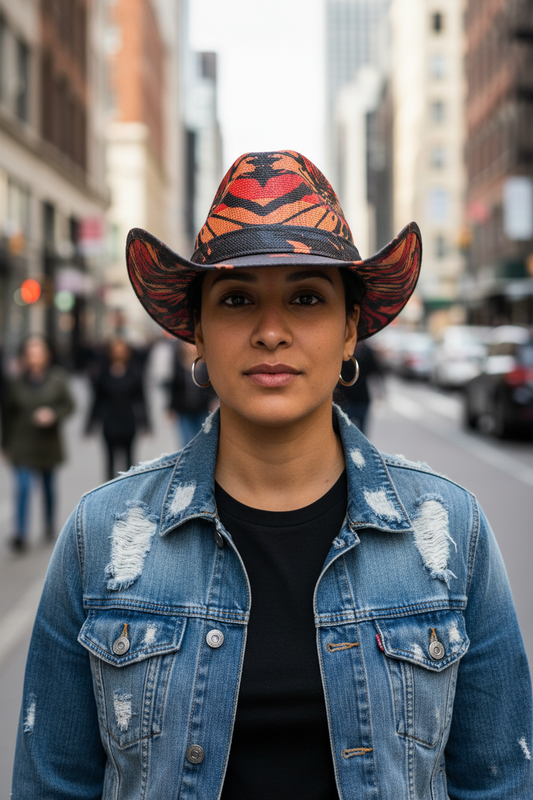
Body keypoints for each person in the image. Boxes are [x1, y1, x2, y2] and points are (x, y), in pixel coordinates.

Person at [12, 151, 532, 799]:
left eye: (306, 297)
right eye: (236, 299)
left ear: (350, 331)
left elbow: (501, 783)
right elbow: (52, 785)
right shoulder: (102, 535)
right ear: (196, 333)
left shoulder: (450, 532)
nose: (269, 331)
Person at [2, 334, 74, 551]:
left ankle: (49, 525)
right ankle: (20, 534)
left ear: (46, 355)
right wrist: (4, 444)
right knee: (23, 487)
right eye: (30, 353)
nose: (34, 357)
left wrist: (53, 414)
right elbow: (7, 415)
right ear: (25, 357)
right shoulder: (16, 382)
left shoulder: (57, 379)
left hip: (47, 444)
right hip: (21, 443)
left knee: (48, 486)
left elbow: (70, 405)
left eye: (38, 352)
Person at [86, 337, 150, 480]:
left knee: (129, 460)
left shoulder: (134, 373)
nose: (119, 354)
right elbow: (97, 400)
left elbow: (142, 400)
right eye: (116, 351)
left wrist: (146, 423)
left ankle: (128, 489)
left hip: (128, 421)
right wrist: (90, 423)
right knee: (109, 460)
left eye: (122, 351)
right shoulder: (103, 374)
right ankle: (109, 490)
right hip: (110, 422)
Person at [166, 339, 217, 446]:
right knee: (185, 441)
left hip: (202, 408)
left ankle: (199, 461)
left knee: (201, 440)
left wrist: (213, 400)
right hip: (183, 410)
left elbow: (211, 384)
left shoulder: (205, 364)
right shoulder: (178, 363)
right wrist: (171, 407)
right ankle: (187, 461)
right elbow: (174, 386)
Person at [337, 339, 384, 435]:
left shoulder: (368, 352)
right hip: (346, 398)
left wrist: (380, 391)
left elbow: (376, 371)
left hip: (362, 398)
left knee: (362, 431)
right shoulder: (342, 351)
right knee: (344, 431)